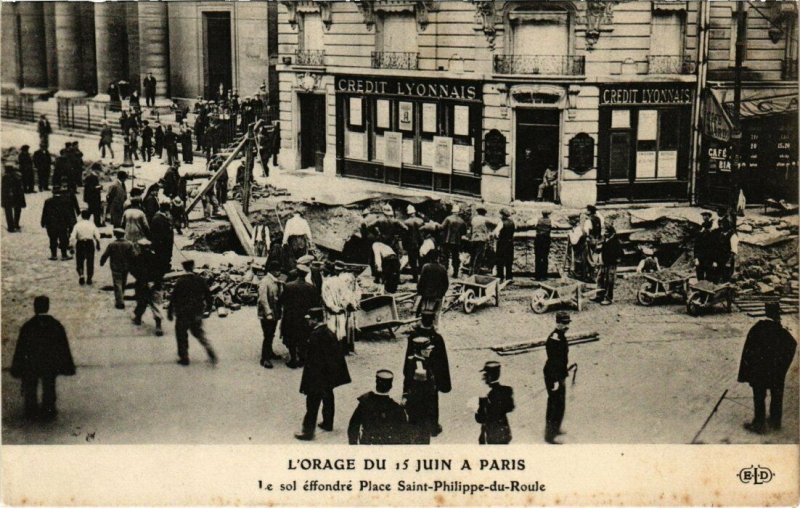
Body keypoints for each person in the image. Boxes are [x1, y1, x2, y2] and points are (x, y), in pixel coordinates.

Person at [10, 296, 76, 421]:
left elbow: (21, 348)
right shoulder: (55, 325)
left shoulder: (28, 326)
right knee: (49, 385)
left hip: (32, 363)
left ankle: (31, 409)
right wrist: (66, 364)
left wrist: (18, 366)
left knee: (31, 385)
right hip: (50, 363)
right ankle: (49, 408)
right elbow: (63, 346)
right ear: (48, 307)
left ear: (35, 308)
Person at [738, 302, 797, 434]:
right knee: (777, 395)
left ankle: (759, 424)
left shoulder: (756, 328)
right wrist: (782, 366)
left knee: (759, 396)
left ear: (766, 312)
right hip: (776, 372)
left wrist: (748, 371)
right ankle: (775, 422)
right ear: (777, 314)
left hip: (759, 372)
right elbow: (792, 345)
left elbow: (747, 351)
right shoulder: (782, 331)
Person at [295, 307, 351, 441]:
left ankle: (308, 432)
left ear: (315, 320)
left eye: (310, 319)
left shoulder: (316, 335)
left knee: (312, 403)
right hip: (329, 374)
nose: (308, 322)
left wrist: (311, 380)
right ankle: (328, 423)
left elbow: (313, 361)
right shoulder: (328, 331)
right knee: (328, 398)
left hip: (318, 376)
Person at [405, 311, 451, 437]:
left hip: (414, 374)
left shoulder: (413, 336)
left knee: (415, 398)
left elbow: (407, 358)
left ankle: (414, 424)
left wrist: (407, 374)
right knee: (432, 401)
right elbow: (443, 361)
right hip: (432, 376)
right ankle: (433, 426)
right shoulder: (437, 338)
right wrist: (443, 382)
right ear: (432, 321)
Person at [168, 259, 217, 365]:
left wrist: (170, 312)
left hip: (182, 313)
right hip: (196, 312)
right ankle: (209, 349)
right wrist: (208, 308)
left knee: (181, 335)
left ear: (184, 268)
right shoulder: (200, 280)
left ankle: (184, 357)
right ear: (193, 267)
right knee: (198, 333)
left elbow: (174, 297)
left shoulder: (180, 281)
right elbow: (209, 295)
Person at [348, 370, 409, 445]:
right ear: (390, 387)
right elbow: (405, 434)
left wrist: (354, 446)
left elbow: (353, 427)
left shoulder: (364, 403)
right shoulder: (396, 408)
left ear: (376, 383)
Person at [280, 264, 321, 368]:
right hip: (304, 318)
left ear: (297, 272)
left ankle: (293, 359)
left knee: (290, 337)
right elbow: (315, 303)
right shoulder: (311, 287)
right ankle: (302, 359)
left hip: (290, 317)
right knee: (303, 337)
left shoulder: (288, 286)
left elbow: (282, 301)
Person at [544, 311, 571, 444]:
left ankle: (556, 428)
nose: (567, 326)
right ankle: (550, 435)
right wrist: (555, 380)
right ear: (558, 323)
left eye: (568, 323)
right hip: (553, 375)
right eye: (564, 324)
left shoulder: (560, 335)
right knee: (554, 404)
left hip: (560, 374)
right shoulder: (555, 338)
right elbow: (553, 360)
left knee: (560, 404)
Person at [475, 361, 514, 445]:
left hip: (491, 433)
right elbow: (510, 407)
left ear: (488, 376)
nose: (483, 377)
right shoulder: (507, 390)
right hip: (504, 430)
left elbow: (480, 418)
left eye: (485, 375)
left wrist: (482, 402)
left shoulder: (486, 395)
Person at [130, 239, 164, 336]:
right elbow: (162, 270)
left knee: (141, 301)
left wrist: (141, 279)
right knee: (156, 305)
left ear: (140, 247)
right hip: (155, 284)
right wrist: (154, 281)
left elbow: (133, 270)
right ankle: (158, 326)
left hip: (142, 284)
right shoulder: (157, 258)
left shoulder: (137, 258)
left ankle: (138, 318)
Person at [100, 228, 135, 309]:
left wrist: (102, 262)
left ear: (116, 235)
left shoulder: (112, 244)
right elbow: (133, 256)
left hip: (115, 267)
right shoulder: (129, 244)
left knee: (117, 283)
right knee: (123, 283)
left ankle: (120, 302)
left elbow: (105, 254)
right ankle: (121, 298)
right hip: (126, 267)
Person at [257, 261, 283, 369]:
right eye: (278, 270)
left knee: (271, 333)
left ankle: (270, 352)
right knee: (267, 335)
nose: (280, 272)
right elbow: (263, 299)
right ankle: (264, 359)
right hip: (267, 314)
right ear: (273, 271)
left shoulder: (275, 281)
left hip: (275, 312)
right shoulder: (265, 281)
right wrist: (268, 313)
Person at [416, 251, 448, 327]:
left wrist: (420, 292)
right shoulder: (442, 268)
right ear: (438, 258)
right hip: (438, 296)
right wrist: (442, 294)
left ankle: (423, 328)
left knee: (425, 313)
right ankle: (435, 329)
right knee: (436, 315)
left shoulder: (426, 267)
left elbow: (421, 282)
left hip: (427, 295)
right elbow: (446, 284)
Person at [69, 209, 101, 286]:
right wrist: (98, 243)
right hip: (89, 243)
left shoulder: (77, 225)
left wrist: (71, 246)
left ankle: (81, 275)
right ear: (89, 217)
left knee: (79, 260)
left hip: (80, 243)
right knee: (90, 261)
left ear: (81, 216)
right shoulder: (92, 224)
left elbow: (72, 236)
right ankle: (89, 277)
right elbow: (97, 235)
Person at [41, 187, 72, 260]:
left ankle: (53, 255)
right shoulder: (65, 201)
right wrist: (70, 224)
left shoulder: (48, 201)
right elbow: (68, 214)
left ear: (52, 192)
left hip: (51, 224)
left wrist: (43, 222)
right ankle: (64, 255)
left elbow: (45, 213)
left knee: (52, 239)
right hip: (62, 224)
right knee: (63, 239)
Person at [596, 224, 623, 305]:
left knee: (609, 280)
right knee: (600, 278)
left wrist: (615, 260)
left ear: (611, 232)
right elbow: (601, 249)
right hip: (604, 263)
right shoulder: (605, 240)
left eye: (606, 231)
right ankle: (599, 295)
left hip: (611, 264)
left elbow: (620, 254)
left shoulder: (615, 241)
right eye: (604, 231)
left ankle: (608, 298)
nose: (605, 233)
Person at [441, 204, 467, 278]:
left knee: (445, 256)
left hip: (447, 241)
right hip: (457, 242)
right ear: (458, 212)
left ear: (452, 211)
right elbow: (464, 233)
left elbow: (442, 227)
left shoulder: (448, 218)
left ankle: (444, 272)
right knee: (455, 257)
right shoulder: (462, 221)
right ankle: (455, 273)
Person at [469, 206, 494, 276]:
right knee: (479, 256)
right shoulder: (485, 219)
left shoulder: (474, 219)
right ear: (484, 213)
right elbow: (494, 223)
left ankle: (470, 271)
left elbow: (471, 228)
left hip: (474, 238)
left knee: (473, 255)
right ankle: (475, 273)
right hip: (481, 239)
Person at [403, 205, 425, 282]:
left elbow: (404, 236)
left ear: (408, 213)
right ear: (414, 212)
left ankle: (415, 278)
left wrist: (404, 246)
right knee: (421, 260)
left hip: (411, 244)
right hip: (420, 243)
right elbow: (423, 232)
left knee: (413, 262)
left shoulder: (406, 222)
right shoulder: (421, 221)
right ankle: (423, 277)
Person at [493, 208, 515, 282]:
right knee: (509, 260)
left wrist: (497, 237)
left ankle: (500, 277)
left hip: (502, 243)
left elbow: (495, 233)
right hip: (510, 243)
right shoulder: (512, 222)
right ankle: (509, 277)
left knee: (500, 260)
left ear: (503, 215)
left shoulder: (501, 223)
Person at [2, 165, 26, 232]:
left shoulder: (5, 177)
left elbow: (4, 188)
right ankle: (16, 224)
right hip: (17, 196)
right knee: (17, 209)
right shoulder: (17, 176)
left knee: (8, 211)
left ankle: (11, 227)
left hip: (8, 197)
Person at [694, 211, 716, 282]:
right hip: (701, 257)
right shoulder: (701, 229)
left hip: (709, 257)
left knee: (709, 276)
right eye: (703, 215)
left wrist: (715, 260)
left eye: (705, 215)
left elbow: (715, 247)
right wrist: (696, 258)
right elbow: (696, 245)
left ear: (709, 216)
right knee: (700, 275)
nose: (704, 217)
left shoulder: (713, 230)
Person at [534, 210, 552, 280]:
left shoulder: (537, 220)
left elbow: (532, 224)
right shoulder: (551, 221)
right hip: (546, 240)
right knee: (545, 258)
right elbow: (555, 226)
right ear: (548, 215)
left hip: (538, 240)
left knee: (538, 257)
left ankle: (537, 276)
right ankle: (544, 276)